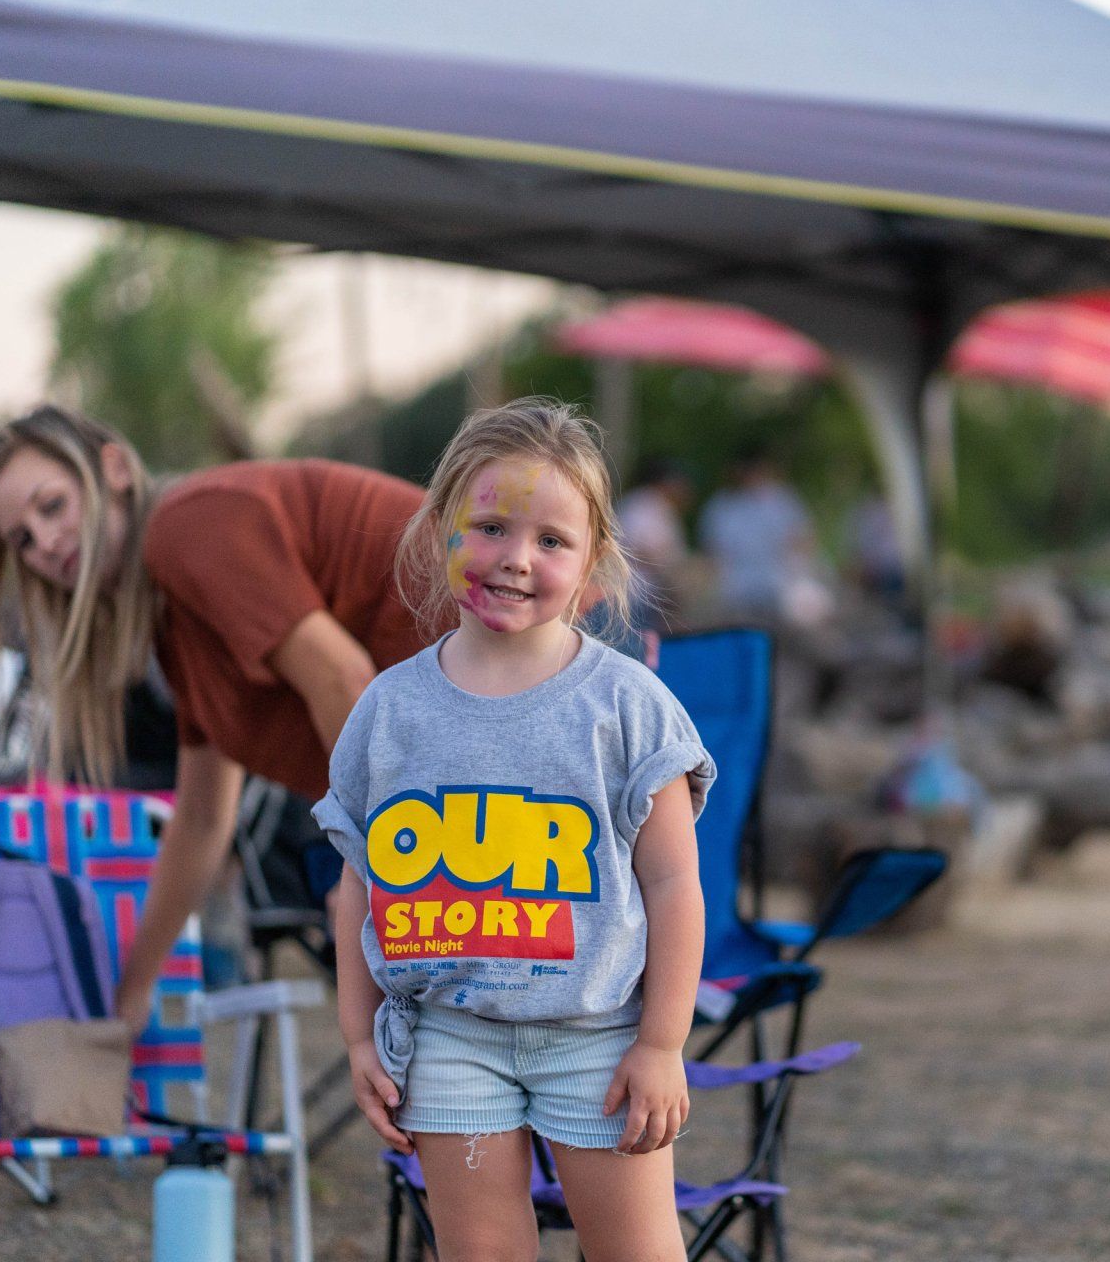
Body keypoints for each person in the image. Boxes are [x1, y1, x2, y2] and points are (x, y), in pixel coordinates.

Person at [313, 399, 712, 1262]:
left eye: (552, 540)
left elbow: (675, 884)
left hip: (598, 1036)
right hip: (449, 1036)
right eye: (491, 527)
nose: (517, 558)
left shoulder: (628, 707)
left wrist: (662, 1043)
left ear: (594, 563)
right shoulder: (389, 710)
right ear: (440, 532)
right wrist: (356, 1035)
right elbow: (356, 884)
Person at [0, 404, 452, 1030]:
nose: (45, 543)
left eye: (52, 506)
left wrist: (375, 867)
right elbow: (200, 818)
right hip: (461, 748)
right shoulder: (177, 626)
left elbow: (343, 680)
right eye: (22, 540)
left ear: (114, 470)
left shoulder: (188, 527)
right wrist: (131, 994)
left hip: (526, 680)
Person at [697, 446, 828, 625]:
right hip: (736, 585)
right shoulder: (721, 506)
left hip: (782, 580)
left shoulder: (782, 500)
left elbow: (804, 540)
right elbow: (711, 552)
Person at [615, 459, 693, 630]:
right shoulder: (640, 505)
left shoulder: (661, 508)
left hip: (653, 596)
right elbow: (630, 548)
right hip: (636, 595)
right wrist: (668, 569)